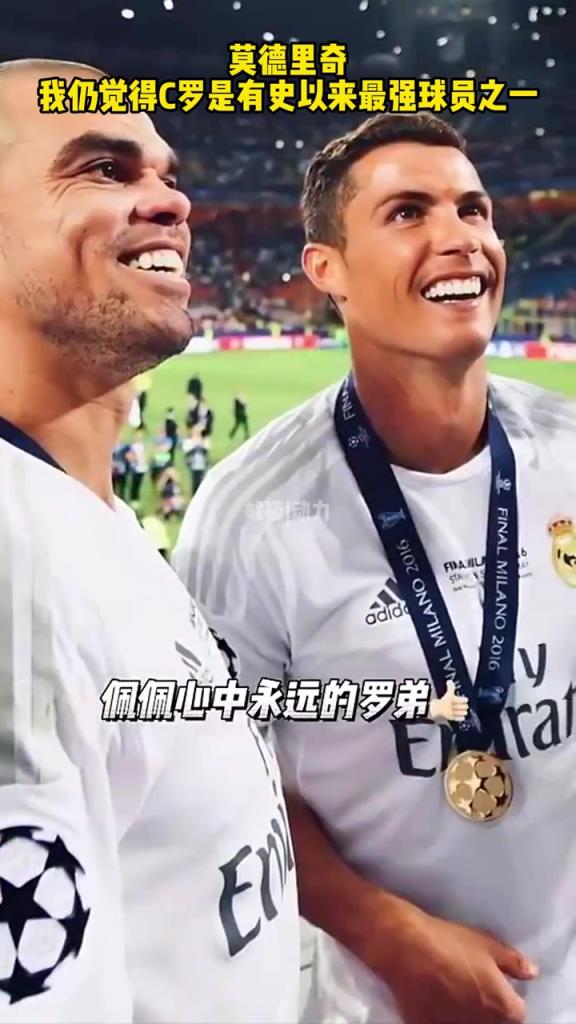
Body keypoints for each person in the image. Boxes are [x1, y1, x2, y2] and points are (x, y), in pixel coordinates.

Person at [174, 110, 576, 1024]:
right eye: (407, 212)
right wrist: (390, 935)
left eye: (474, 209)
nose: (459, 237)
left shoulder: (569, 446)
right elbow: (211, 781)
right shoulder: (249, 516)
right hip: (385, 1004)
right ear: (328, 271)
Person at [0, 57, 299, 1022]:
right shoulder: (14, 569)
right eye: (102, 168)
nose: (171, 202)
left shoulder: (82, 518)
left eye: (167, 175)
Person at [183, 425, 209, 495]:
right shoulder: (189, 441)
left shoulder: (205, 440)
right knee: (194, 481)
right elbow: (187, 451)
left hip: (202, 464)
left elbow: (206, 450)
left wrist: (200, 444)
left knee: (202, 480)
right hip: (193, 464)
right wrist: (196, 446)